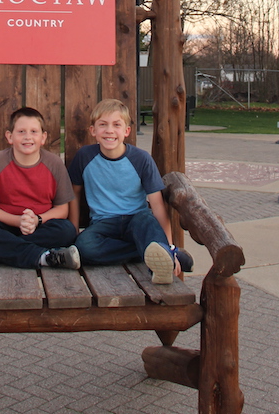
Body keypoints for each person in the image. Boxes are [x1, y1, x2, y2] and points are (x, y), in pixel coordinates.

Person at [68, 98, 193, 283]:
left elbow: (158, 206)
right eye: (103, 125)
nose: (109, 130)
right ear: (93, 130)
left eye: (116, 125)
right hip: (103, 223)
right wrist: (74, 230)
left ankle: (163, 257)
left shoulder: (141, 159)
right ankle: (153, 253)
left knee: (148, 222)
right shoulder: (84, 157)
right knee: (84, 247)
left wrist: (169, 244)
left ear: (126, 131)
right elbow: (74, 195)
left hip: (137, 219)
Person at [0, 106, 80, 270]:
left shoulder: (54, 163)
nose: (28, 137)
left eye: (34, 132)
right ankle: (44, 257)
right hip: (4, 225)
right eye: (21, 132)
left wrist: (37, 219)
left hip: (40, 226)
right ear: (9, 136)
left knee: (66, 231)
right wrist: (18, 221)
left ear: (43, 137)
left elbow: (62, 210)